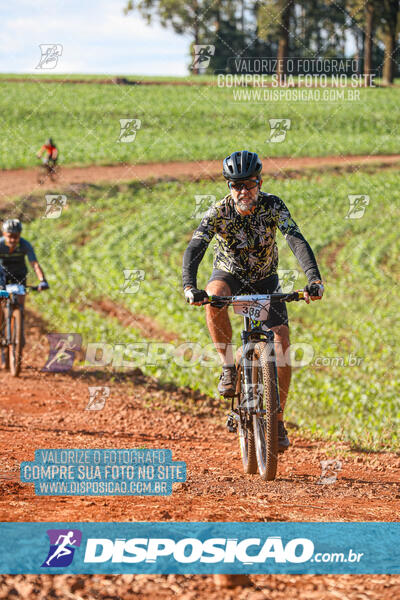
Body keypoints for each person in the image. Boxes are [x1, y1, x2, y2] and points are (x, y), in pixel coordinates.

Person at [182, 150, 324, 452]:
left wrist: (313, 278)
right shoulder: (220, 211)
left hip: (265, 279)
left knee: (282, 345)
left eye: (248, 184)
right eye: (236, 185)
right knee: (214, 297)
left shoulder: (273, 206)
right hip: (229, 273)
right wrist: (189, 286)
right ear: (228, 186)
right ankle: (228, 367)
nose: (243, 191)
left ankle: (278, 420)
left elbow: (295, 239)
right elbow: (196, 246)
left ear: (259, 182)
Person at [0, 220, 49, 334]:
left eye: (16, 236)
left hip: (19, 275)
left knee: (20, 304)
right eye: (10, 236)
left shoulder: (25, 244)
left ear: (20, 235)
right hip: (2, 276)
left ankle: (19, 332)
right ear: (4, 234)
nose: (13, 240)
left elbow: (34, 264)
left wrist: (42, 280)